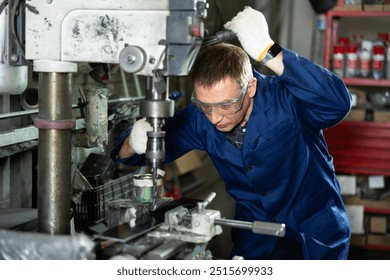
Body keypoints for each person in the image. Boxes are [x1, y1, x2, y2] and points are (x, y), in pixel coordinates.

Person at [111, 6, 352, 260]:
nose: (215, 118)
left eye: (226, 105)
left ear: (250, 87)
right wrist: (133, 140)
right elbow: (140, 153)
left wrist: (268, 50)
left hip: (314, 235)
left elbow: (337, 103)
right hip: (256, 242)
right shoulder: (199, 119)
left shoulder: (286, 99)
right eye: (205, 106)